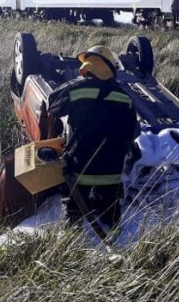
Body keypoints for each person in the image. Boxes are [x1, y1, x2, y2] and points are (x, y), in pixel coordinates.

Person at [46, 45, 139, 230]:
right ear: (110, 69)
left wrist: (73, 84)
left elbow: (53, 105)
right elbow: (133, 133)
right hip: (111, 172)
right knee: (110, 211)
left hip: (80, 168)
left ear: (87, 67)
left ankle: (72, 240)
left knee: (73, 212)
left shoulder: (76, 90)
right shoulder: (125, 98)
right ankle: (115, 237)